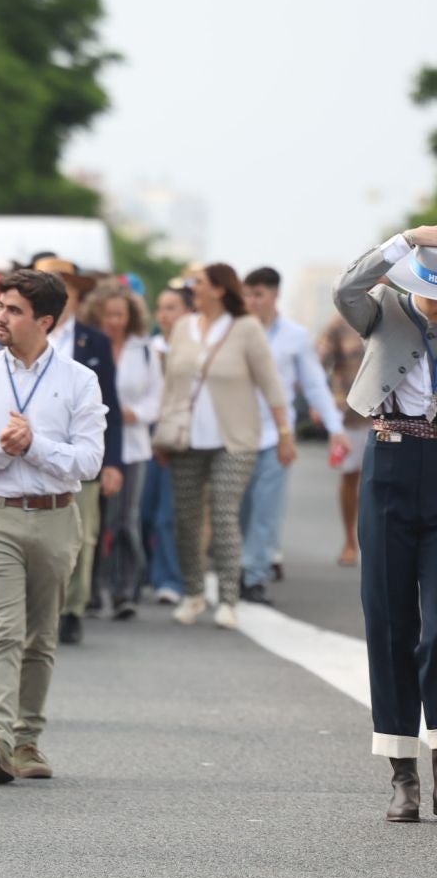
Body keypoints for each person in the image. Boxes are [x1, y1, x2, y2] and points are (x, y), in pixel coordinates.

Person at [0, 268, 106, 782]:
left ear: (46, 321)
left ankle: (28, 741)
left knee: (40, 637)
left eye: (13, 310)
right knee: (2, 631)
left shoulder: (80, 380)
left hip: (56, 517)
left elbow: (90, 461)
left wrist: (35, 445)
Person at [331, 224, 437, 819]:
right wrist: (406, 239)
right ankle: (403, 772)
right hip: (391, 459)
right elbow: (347, 286)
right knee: (389, 617)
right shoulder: (383, 310)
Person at [153, 262, 293, 630]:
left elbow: (270, 383)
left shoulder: (245, 328)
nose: (191, 289)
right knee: (186, 519)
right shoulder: (183, 327)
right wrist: (162, 434)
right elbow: (171, 384)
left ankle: (229, 598)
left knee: (223, 513)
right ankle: (194, 593)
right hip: (185, 438)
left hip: (234, 440)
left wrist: (284, 432)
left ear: (218, 289)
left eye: (197, 283)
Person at [238, 267, 339, 604]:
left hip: (275, 434)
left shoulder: (295, 336)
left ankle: (254, 576)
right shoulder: (234, 330)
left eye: (259, 295)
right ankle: (235, 565)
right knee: (240, 508)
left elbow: (313, 384)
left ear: (275, 295)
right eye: (247, 295)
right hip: (234, 434)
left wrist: (335, 428)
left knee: (267, 509)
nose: (252, 302)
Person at [33, 257, 121, 643]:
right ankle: (38, 606)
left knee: (82, 533)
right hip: (31, 446)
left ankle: (72, 608)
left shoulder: (93, 340)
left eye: (63, 284)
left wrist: (113, 461)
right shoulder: (23, 333)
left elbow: (111, 405)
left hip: (78, 450)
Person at [91, 281, 161, 618]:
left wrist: (137, 413)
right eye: (108, 315)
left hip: (132, 446)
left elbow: (155, 397)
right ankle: (91, 590)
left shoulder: (143, 349)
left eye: (120, 315)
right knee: (93, 521)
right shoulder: (89, 346)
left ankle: (125, 589)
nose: (114, 322)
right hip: (94, 446)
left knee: (125, 520)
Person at [144, 283, 194, 603]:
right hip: (146, 435)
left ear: (188, 312)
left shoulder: (195, 348)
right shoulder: (148, 347)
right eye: (161, 307)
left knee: (168, 515)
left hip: (178, 436)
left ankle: (172, 580)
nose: (164, 314)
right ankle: (149, 572)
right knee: (144, 513)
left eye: (172, 307)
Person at [319, 313, 367, 567]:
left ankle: (376, 543)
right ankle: (350, 541)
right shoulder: (339, 323)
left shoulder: (399, 311)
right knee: (350, 478)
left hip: (390, 413)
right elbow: (317, 364)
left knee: (383, 482)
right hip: (350, 415)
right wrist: (321, 403)